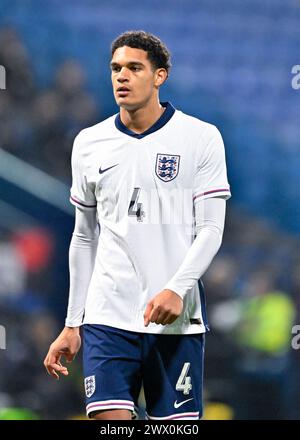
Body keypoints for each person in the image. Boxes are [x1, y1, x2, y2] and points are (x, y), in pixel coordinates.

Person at [44, 30, 231, 421]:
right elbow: (83, 236)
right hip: (107, 316)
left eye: (133, 67)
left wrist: (176, 289)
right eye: (115, 68)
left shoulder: (201, 138)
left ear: (160, 75)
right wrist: (72, 323)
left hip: (175, 321)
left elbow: (211, 230)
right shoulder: (89, 142)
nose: (121, 77)